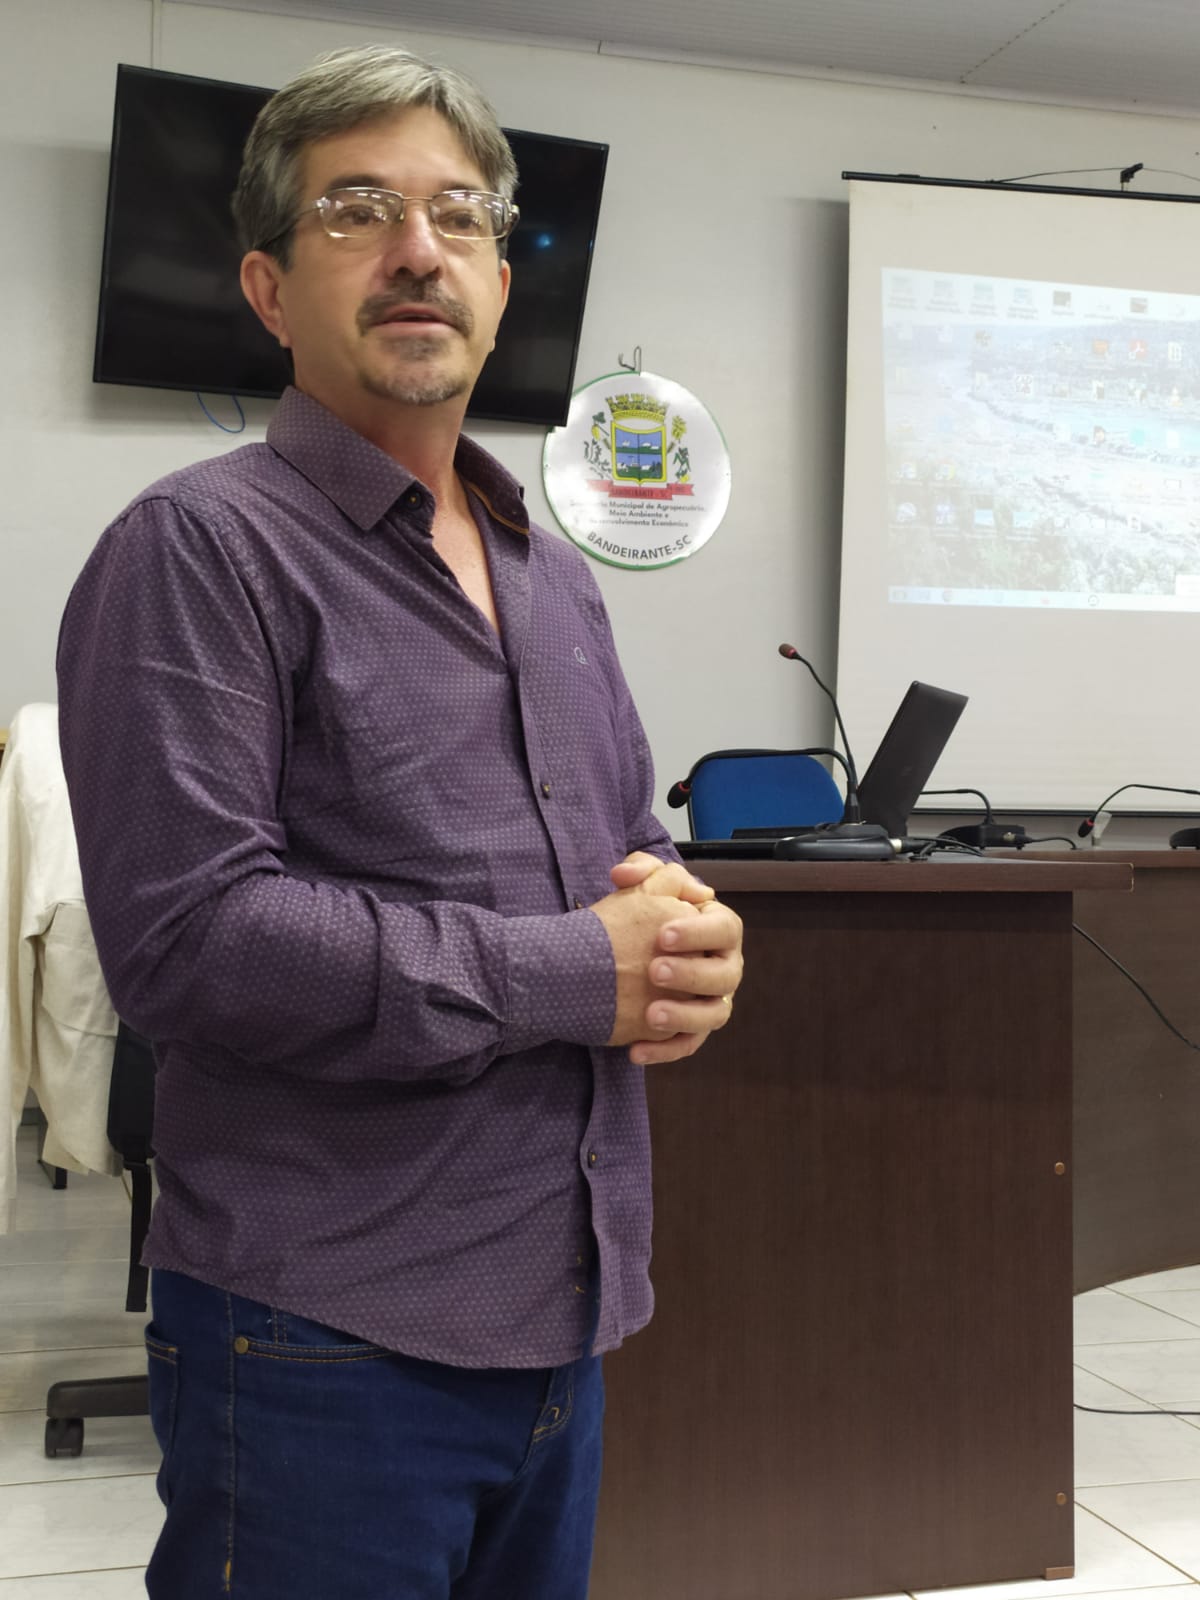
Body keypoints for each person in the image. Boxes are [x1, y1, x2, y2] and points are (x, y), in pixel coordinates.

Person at [56, 43, 743, 1600]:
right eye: (358, 211)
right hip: (319, 1335)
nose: (419, 250)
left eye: (461, 216)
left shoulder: (553, 572)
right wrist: (581, 969)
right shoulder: (198, 551)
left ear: (500, 281)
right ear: (268, 287)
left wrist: (684, 929)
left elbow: (625, 839)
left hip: (564, 1308)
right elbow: (191, 944)